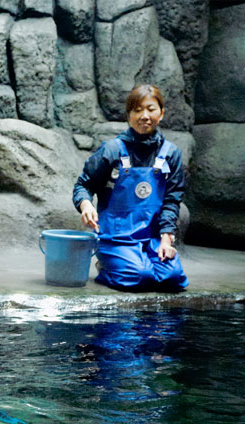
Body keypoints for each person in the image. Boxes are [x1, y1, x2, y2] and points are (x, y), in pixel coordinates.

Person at [73, 84, 188, 292]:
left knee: (173, 278)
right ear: (129, 116)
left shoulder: (171, 154)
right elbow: (84, 185)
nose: (144, 116)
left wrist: (166, 239)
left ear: (161, 114)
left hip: (151, 236)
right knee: (139, 277)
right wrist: (86, 205)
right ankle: (106, 267)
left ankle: (144, 258)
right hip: (116, 237)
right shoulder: (113, 149)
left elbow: (172, 200)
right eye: (137, 110)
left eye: (151, 109)